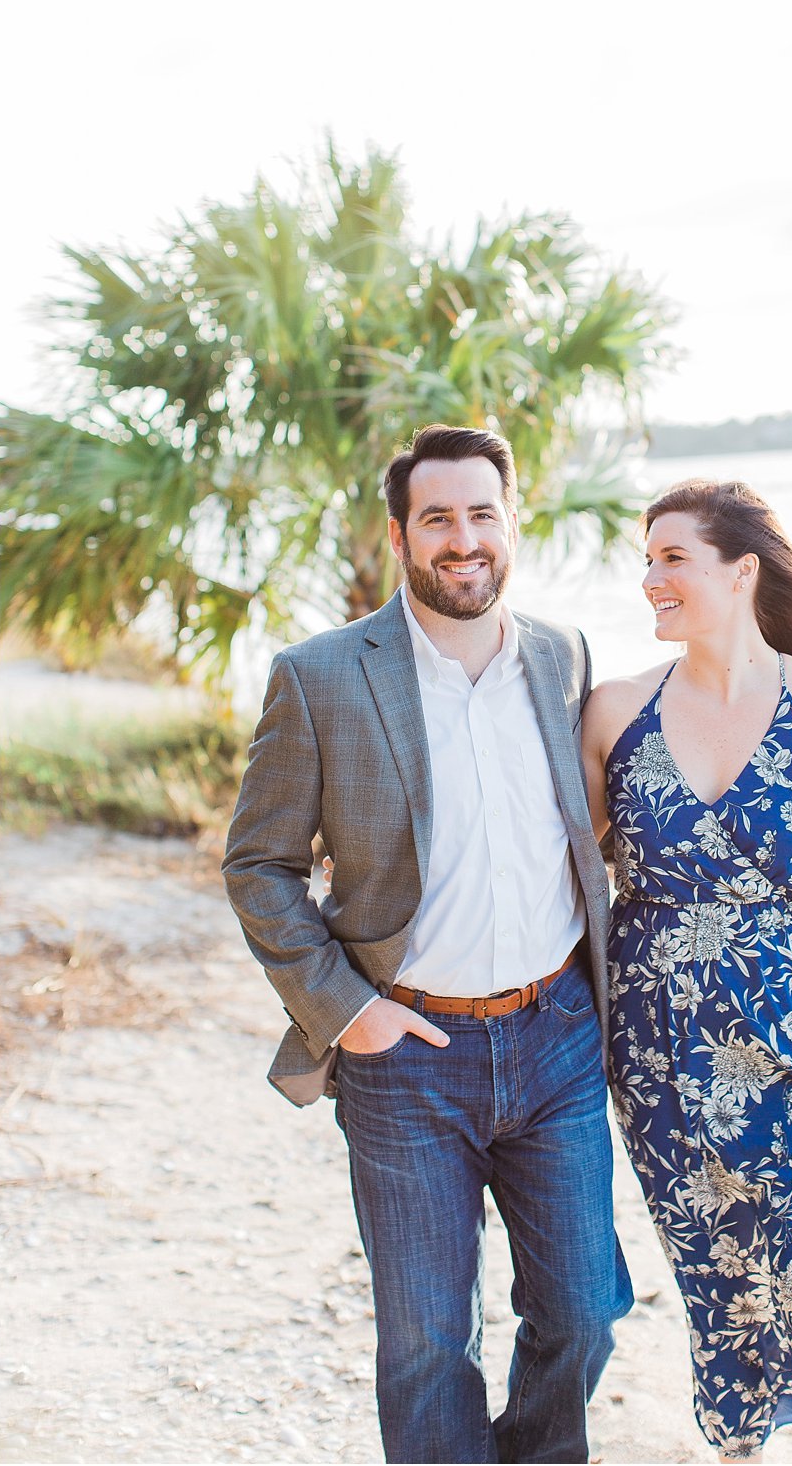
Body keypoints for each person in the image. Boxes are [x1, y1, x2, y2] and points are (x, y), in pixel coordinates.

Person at [222, 423, 633, 1466]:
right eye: (438, 518)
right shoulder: (320, 677)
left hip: (557, 1039)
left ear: (511, 522)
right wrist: (348, 1011)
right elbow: (258, 864)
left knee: (584, 1311)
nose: (464, 538)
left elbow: (590, 833)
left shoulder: (562, 654)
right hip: (405, 1058)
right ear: (401, 533)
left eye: (481, 514)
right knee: (422, 1342)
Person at [582, 478, 792, 1464]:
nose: (650, 579)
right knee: (718, 1279)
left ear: (742, 570)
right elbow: (562, 871)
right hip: (659, 1055)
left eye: (672, 557)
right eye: (646, 559)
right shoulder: (611, 713)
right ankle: (740, 1452)